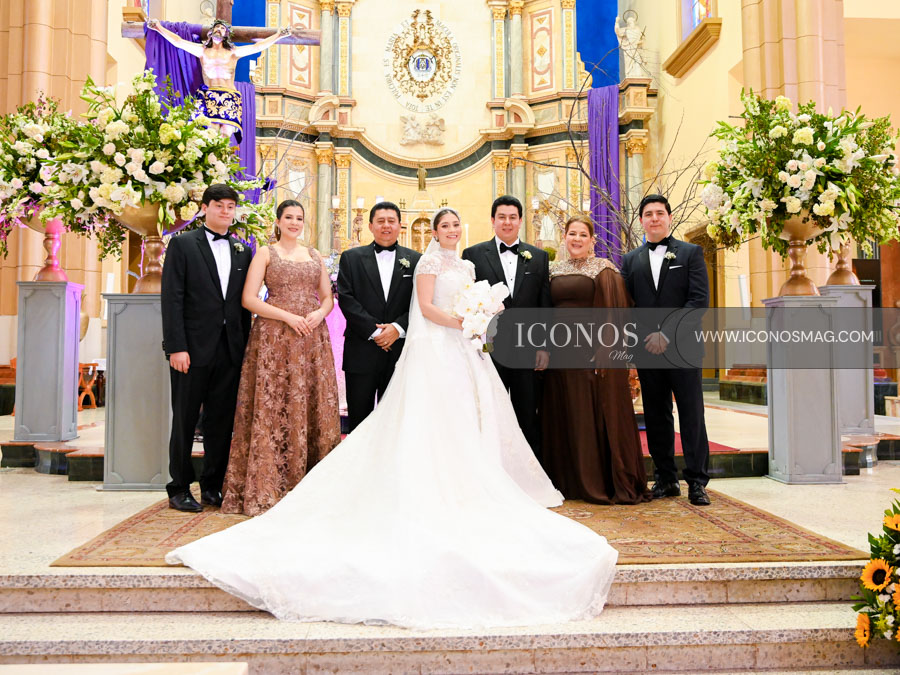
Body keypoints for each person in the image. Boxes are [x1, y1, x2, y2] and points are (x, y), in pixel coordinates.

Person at [166, 207, 618, 629]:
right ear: (431, 231)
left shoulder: (468, 267)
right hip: (435, 350)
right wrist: (465, 321)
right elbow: (424, 309)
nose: (452, 233)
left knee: (467, 421)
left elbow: (460, 304)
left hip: (464, 352)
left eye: (457, 228)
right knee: (422, 421)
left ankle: (465, 484)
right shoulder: (425, 264)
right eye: (445, 228)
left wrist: (478, 318)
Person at [219, 200, 341, 516]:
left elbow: (328, 296)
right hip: (274, 336)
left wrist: (318, 313)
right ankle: (270, 484)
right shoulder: (265, 252)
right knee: (275, 404)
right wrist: (287, 317)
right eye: (289, 217)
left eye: (300, 218)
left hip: (311, 337)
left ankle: (311, 483)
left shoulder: (314, 255)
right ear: (278, 220)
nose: (295, 222)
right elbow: (248, 299)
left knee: (308, 403)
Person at [542, 217, 651, 505]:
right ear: (564, 237)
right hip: (559, 355)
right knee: (567, 413)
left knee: (589, 413)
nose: (576, 239)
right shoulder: (554, 271)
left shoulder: (604, 269)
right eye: (571, 234)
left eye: (582, 235)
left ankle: (596, 480)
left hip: (590, 352)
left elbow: (615, 315)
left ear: (592, 240)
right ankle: (569, 481)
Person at [161, 184, 252, 512]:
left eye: (231, 207)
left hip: (229, 351)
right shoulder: (183, 244)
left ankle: (212, 486)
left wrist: (245, 350)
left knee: (221, 422)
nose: (226, 212)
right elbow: (171, 299)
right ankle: (179, 487)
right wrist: (176, 347)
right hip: (191, 350)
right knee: (185, 420)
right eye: (219, 206)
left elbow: (243, 305)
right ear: (204, 208)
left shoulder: (243, 250)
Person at [619, 194, 712, 506]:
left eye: (660, 213)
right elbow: (628, 307)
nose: (654, 218)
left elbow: (698, 301)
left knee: (691, 414)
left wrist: (666, 334)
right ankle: (665, 478)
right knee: (657, 415)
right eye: (648, 214)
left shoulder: (691, 253)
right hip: (647, 350)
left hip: (683, 347)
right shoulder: (630, 260)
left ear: (669, 218)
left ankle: (698, 481)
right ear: (641, 220)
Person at [462, 195, 551, 463]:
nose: (507, 222)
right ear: (493, 221)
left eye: (513, 217)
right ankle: (494, 471)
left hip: (526, 346)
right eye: (502, 217)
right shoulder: (473, 255)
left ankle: (532, 474)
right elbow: (468, 303)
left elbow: (543, 305)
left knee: (527, 413)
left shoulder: (538, 257)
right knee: (491, 413)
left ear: (521, 221)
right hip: (489, 349)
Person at [337, 201, 421, 431]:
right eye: (381, 221)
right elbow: (345, 297)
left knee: (394, 423)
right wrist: (375, 332)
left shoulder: (417, 260)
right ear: (371, 226)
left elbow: (420, 301)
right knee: (359, 420)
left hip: (399, 352)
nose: (386, 226)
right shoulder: (351, 258)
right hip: (361, 351)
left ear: (400, 226)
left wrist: (397, 328)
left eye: (391, 221)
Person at [147, 18, 292, 142]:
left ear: (226, 35)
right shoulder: (202, 51)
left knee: (224, 135)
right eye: (216, 27)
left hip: (229, 96)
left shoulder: (233, 53)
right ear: (210, 33)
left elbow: (257, 46)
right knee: (210, 134)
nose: (219, 29)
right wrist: (158, 27)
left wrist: (279, 35)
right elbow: (178, 41)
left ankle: (222, 168)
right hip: (209, 96)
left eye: (222, 28)